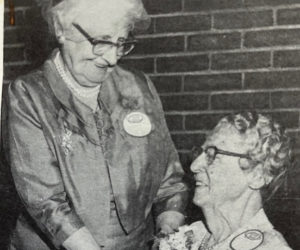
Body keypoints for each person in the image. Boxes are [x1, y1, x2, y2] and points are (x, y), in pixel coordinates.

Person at [3, 0, 188, 249]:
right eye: (101, 41)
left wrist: (169, 227)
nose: (112, 58)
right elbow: (47, 202)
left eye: (121, 43)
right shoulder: (29, 95)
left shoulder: (138, 87)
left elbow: (169, 178)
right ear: (61, 29)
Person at [175, 112, 291, 250]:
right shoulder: (192, 238)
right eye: (200, 152)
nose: (194, 166)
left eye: (212, 155)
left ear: (257, 176)